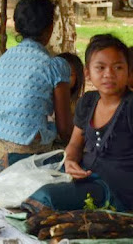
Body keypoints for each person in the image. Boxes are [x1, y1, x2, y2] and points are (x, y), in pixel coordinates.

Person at [24, 35, 133, 212]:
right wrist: (71, 161)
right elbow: (75, 143)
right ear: (88, 73)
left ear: (128, 72)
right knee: (24, 177)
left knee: (46, 197)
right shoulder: (88, 101)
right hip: (85, 177)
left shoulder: (129, 107)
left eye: (118, 67)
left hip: (116, 191)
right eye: (100, 67)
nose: (109, 74)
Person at [0, 0, 72, 177]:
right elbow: (65, 129)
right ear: (50, 28)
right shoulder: (55, 66)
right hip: (24, 155)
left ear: (16, 27)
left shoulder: (4, 59)